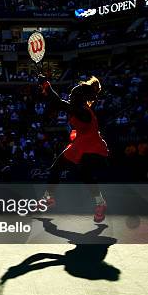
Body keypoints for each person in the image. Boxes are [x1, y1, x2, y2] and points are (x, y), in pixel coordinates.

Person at [41, 76, 109, 222]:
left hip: (93, 146)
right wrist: (46, 85)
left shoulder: (82, 111)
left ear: (80, 97)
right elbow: (58, 102)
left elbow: (58, 102)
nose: (70, 96)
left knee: (84, 171)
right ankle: (48, 198)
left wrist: (47, 86)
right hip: (80, 144)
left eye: (73, 95)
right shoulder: (76, 108)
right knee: (56, 168)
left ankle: (100, 203)